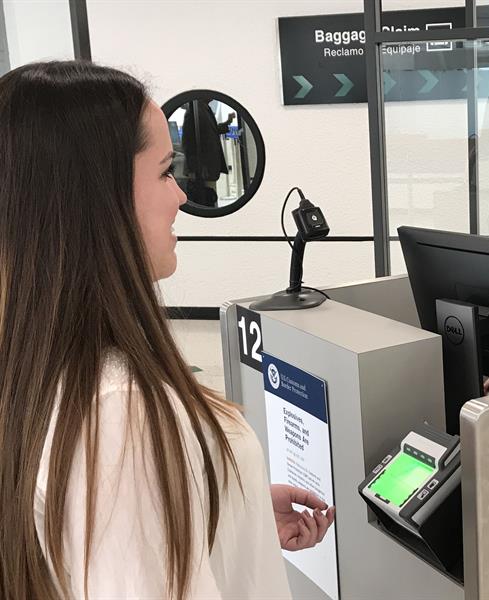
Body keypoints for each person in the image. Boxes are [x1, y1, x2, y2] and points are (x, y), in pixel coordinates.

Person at [0, 61, 333, 599]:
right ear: (96, 199)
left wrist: (223, 507)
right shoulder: (120, 412)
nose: (180, 196)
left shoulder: (42, 369)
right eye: (163, 172)